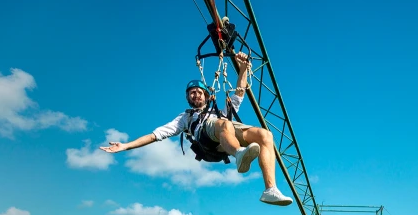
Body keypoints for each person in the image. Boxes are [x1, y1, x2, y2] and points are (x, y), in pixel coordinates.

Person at [99, 52, 293, 206]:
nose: (196, 95)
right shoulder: (185, 118)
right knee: (223, 124)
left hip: (224, 132)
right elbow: (154, 136)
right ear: (188, 98)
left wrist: (243, 68)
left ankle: (270, 189)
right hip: (208, 141)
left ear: (206, 96)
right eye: (192, 93)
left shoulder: (221, 110)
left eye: (200, 92)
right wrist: (126, 146)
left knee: (264, 135)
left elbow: (240, 91)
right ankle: (239, 154)